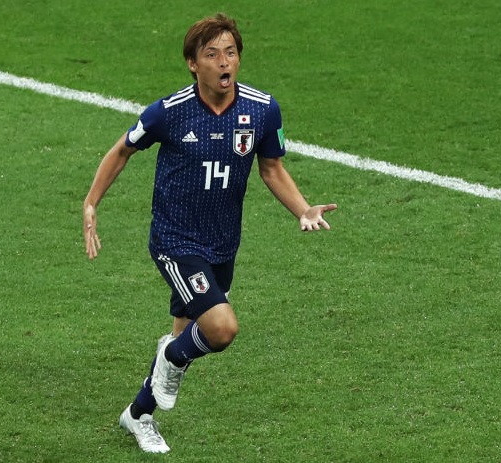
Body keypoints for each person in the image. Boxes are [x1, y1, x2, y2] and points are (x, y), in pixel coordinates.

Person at [82, 13, 337, 454]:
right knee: (219, 329)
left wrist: (302, 209)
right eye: (213, 54)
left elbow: (272, 168)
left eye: (231, 53)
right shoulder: (169, 112)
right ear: (192, 63)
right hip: (175, 241)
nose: (224, 62)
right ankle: (169, 357)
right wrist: (91, 203)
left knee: (185, 337)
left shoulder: (262, 109)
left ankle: (138, 415)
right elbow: (123, 150)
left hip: (222, 244)